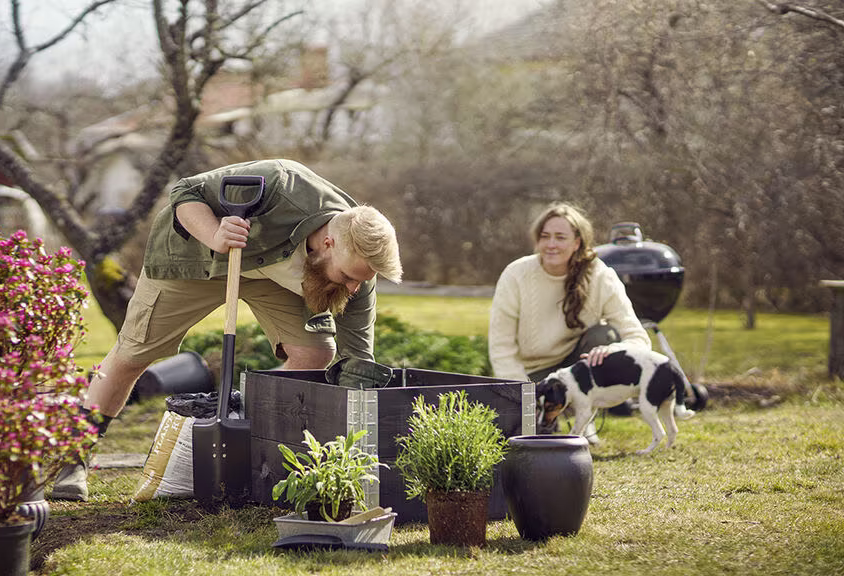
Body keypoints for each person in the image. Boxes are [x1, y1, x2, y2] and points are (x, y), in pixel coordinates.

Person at [51, 159, 403, 501]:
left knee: (315, 354)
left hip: (272, 279)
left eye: (363, 281)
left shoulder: (357, 272)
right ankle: (72, 458)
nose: (355, 289)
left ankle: (245, 432)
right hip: (198, 259)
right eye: (348, 277)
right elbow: (185, 192)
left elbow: (357, 358)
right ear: (328, 243)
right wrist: (214, 234)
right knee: (131, 354)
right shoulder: (281, 184)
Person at [488, 202, 650, 439]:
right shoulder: (516, 275)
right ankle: (547, 414)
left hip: (578, 371)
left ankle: (586, 413)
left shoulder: (600, 276)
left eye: (560, 237)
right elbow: (501, 346)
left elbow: (638, 338)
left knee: (604, 336)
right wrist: (522, 395)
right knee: (514, 439)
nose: (551, 244)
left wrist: (614, 351)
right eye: (545, 237)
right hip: (531, 374)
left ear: (577, 243)